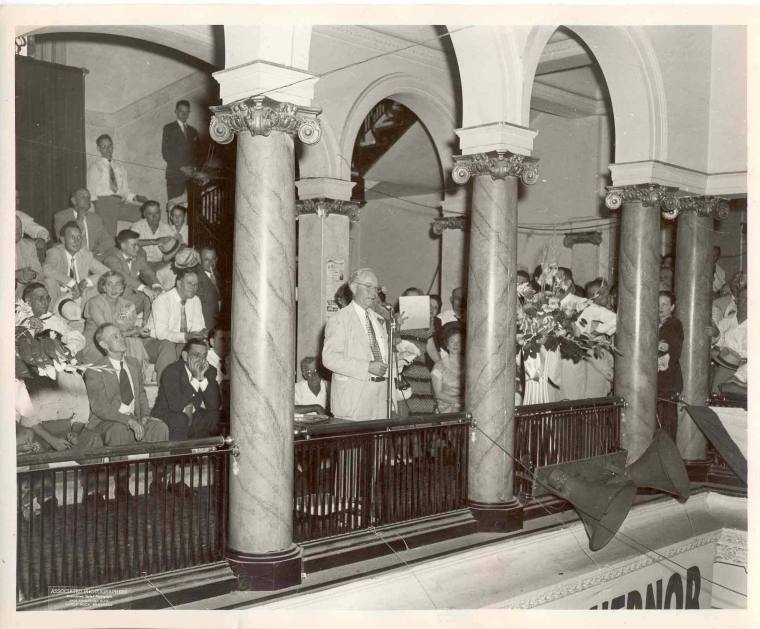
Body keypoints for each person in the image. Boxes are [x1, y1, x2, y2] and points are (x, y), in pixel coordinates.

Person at [85, 323, 169, 496]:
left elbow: (142, 395)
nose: (121, 338)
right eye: (115, 336)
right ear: (104, 345)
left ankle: (159, 480)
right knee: (118, 431)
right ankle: (122, 483)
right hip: (107, 422)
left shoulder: (133, 363)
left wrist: (145, 416)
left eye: (121, 335)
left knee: (160, 428)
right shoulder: (95, 370)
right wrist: (128, 421)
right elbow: (100, 408)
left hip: (134, 419)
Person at [322, 268, 389, 421]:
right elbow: (329, 358)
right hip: (353, 399)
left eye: (376, 289)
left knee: (378, 445)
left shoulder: (379, 320)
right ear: (353, 287)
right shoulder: (339, 319)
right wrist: (367, 366)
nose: (373, 294)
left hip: (379, 399)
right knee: (352, 444)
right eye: (368, 287)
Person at [151, 338, 220, 440]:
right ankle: (180, 455)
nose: (201, 360)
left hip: (192, 414)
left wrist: (202, 379)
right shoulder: (171, 371)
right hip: (167, 414)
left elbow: (215, 405)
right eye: (196, 355)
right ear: (185, 356)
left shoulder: (209, 371)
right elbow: (176, 405)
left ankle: (201, 453)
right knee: (180, 419)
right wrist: (196, 379)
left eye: (204, 356)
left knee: (214, 416)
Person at [145, 268, 207, 380]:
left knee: (199, 348)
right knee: (168, 346)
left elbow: (197, 328)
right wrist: (186, 336)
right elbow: (161, 334)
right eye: (190, 283)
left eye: (196, 285)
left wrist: (201, 333)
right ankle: (165, 388)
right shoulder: (162, 300)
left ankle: (195, 388)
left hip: (180, 343)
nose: (194, 288)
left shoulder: (195, 300)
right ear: (179, 283)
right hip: (154, 343)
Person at [82, 271, 150, 368]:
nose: (114, 288)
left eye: (118, 284)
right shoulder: (94, 302)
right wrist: (134, 331)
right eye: (109, 284)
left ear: (123, 288)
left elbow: (124, 327)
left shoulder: (127, 305)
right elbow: (107, 331)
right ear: (104, 287)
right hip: (97, 344)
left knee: (134, 343)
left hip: (119, 340)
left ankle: (131, 377)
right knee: (124, 344)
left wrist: (136, 331)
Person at [87, 134, 147, 235]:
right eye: (104, 147)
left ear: (113, 146)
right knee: (109, 236)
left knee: (145, 214)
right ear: (98, 149)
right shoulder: (95, 167)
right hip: (104, 204)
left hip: (120, 202)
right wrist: (99, 210)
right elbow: (91, 193)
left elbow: (126, 192)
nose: (108, 149)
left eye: (110, 146)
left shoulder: (120, 167)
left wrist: (137, 197)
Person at [42, 220, 109, 304]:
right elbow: (46, 269)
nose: (76, 241)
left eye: (79, 237)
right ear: (63, 240)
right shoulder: (55, 252)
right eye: (72, 237)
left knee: (103, 283)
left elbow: (107, 272)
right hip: (59, 297)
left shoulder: (86, 255)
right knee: (49, 281)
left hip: (81, 297)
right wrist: (71, 282)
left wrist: (86, 282)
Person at [103, 229, 162, 319]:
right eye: (134, 245)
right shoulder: (111, 259)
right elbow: (122, 276)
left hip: (133, 298)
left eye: (138, 244)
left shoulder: (139, 258)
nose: (138, 248)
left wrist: (156, 286)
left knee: (157, 296)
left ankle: (145, 323)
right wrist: (144, 288)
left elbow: (149, 273)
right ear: (123, 246)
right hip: (117, 299)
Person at [53, 188, 114, 261]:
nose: (87, 199)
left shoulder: (96, 219)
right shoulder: (61, 216)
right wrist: (80, 219)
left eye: (88, 197)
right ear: (73, 201)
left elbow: (109, 241)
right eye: (83, 197)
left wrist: (95, 252)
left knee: (113, 254)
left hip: (93, 257)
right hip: (71, 257)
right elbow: (62, 239)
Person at [162, 100, 201, 209]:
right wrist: (182, 168)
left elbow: (198, 154)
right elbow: (166, 152)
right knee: (175, 208)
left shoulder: (194, 131)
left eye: (186, 112)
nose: (184, 114)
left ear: (189, 113)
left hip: (191, 177)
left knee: (191, 209)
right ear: (176, 111)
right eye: (181, 111)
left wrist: (194, 168)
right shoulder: (169, 128)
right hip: (175, 176)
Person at [130, 200, 180, 268]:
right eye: (150, 214)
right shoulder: (137, 226)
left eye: (157, 213)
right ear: (144, 214)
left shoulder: (166, 227)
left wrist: (169, 256)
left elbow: (179, 238)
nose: (154, 216)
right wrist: (155, 241)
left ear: (160, 212)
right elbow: (131, 243)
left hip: (162, 264)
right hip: (143, 264)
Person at [431, 323, 464, 413]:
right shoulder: (439, 366)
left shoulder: (469, 365)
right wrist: (459, 402)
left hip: (466, 408)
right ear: (447, 345)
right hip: (446, 410)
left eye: (459, 341)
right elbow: (438, 394)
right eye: (452, 341)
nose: (456, 344)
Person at [657, 290, 684, 404]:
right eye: (658, 304)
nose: (660, 307)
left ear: (672, 307)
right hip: (657, 379)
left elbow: (669, 347)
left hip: (669, 380)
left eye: (664, 304)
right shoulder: (653, 322)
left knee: (667, 415)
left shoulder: (674, 324)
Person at [16, 215, 42, 296]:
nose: (17, 230)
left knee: (47, 284)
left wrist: (32, 275)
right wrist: (16, 275)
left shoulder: (29, 245)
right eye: (13, 227)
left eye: (19, 227)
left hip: (26, 288)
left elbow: (39, 271)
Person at [196, 246, 221, 330]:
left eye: (213, 259)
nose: (211, 263)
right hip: (204, 327)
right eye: (206, 259)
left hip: (215, 325)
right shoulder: (196, 277)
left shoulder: (216, 274)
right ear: (199, 260)